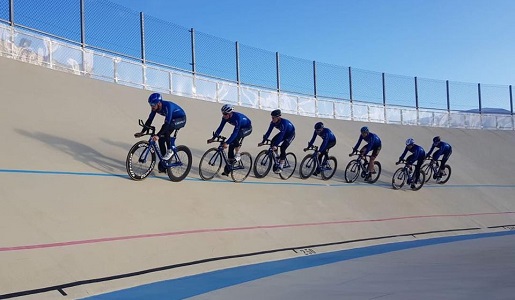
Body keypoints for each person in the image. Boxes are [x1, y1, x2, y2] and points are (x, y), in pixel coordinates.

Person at [134, 93, 186, 171]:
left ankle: (170, 150)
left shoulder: (168, 106)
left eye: (153, 104)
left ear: (159, 103)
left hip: (181, 119)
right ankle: (165, 162)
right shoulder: (155, 108)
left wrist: (157, 135)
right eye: (150, 104)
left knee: (166, 129)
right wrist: (142, 132)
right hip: (172, 120)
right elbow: (149, 120)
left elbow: (167, 124)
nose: (151, 106)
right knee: (161, 140)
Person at [208, 104, 253, 176]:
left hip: (247, 128)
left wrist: (227, 143)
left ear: (230, 113)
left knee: (234, 138)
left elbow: (235, 133)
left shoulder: (237, 118)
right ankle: (229, 167)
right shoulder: (225, 118)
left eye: (225, 114)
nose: (223, 115)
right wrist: (213, 138)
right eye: (222, 113)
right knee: (231, 147)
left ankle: (238, 154)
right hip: (240, 128)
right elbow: (220, 128)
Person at [258, 109, 295, 174]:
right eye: (271, 117)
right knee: (272, 141)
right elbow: (268, 132)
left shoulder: (284, 123)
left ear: (278, 117)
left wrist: (276, 145)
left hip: (290, 134)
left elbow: (281, 135)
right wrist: (263, 141)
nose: (272, 119)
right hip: (283, 133)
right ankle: (277, 156)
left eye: (273, 118)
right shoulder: (272, 123)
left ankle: (281, 166)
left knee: (283, 147)